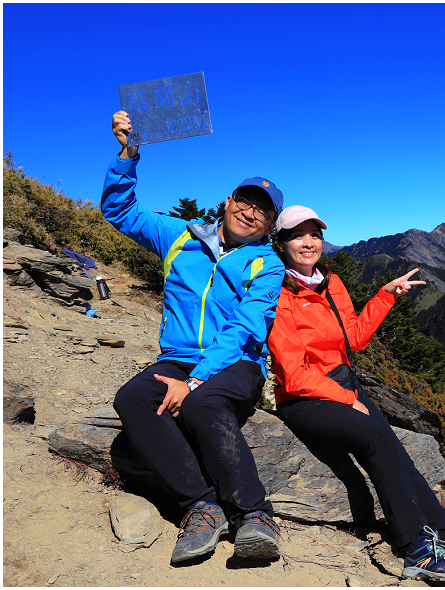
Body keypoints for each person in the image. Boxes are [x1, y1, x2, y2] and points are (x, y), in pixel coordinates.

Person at [267, 205, 445, 585]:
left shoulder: (332, 283)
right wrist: (348, 400)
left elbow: (355, 339)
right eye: (298, 235)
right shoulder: (276, 292)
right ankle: (416, 549)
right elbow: (295, 376)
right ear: (280, 242)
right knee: (378, 436)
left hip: (344, 382)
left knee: (398, 454)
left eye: (314, 234)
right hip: (305, 399)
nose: (309, 242)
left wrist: (385, 295)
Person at [102, 111, 284, 564]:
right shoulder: (178, 236)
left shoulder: (268, 264)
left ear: (270, 225)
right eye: (246, 200)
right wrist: (128, 152)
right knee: (131, 397)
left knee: (201, 402)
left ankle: (255, 514)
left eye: (262, 210)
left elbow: (247, 327)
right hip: (177, 356)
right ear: (227, 200)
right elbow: (119, 211)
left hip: (237, 362)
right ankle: (201, 508)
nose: (251, 211)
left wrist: (198, 380)